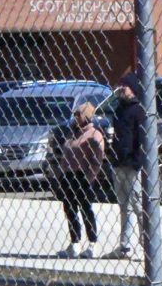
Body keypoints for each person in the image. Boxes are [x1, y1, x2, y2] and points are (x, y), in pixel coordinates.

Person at [52, 102, 106, 259]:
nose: (75, 117)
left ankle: (92, 244)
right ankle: (75, 242)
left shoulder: (94, 134)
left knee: (86, 210)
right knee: (70, 209)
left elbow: (98, 159)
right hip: (69, 176)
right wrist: (61, 173)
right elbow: (65, 155)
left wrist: (90, 177)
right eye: (75, 114)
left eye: (78, 114)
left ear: (87, 116)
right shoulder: (72, 133)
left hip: (83, 176)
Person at [106, 71, 145, 260]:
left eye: (125, 86)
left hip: (132, 165)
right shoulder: (118, 110)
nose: (122, 89)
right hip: (118, 164)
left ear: (133, 89)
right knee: (124, 206)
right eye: (121, 85)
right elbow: (114, 138)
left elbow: (142, 139)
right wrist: (112, 158)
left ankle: (148, 244)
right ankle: (124, 246)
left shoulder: (138, 111)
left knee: (137, 205)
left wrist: (138, 162)